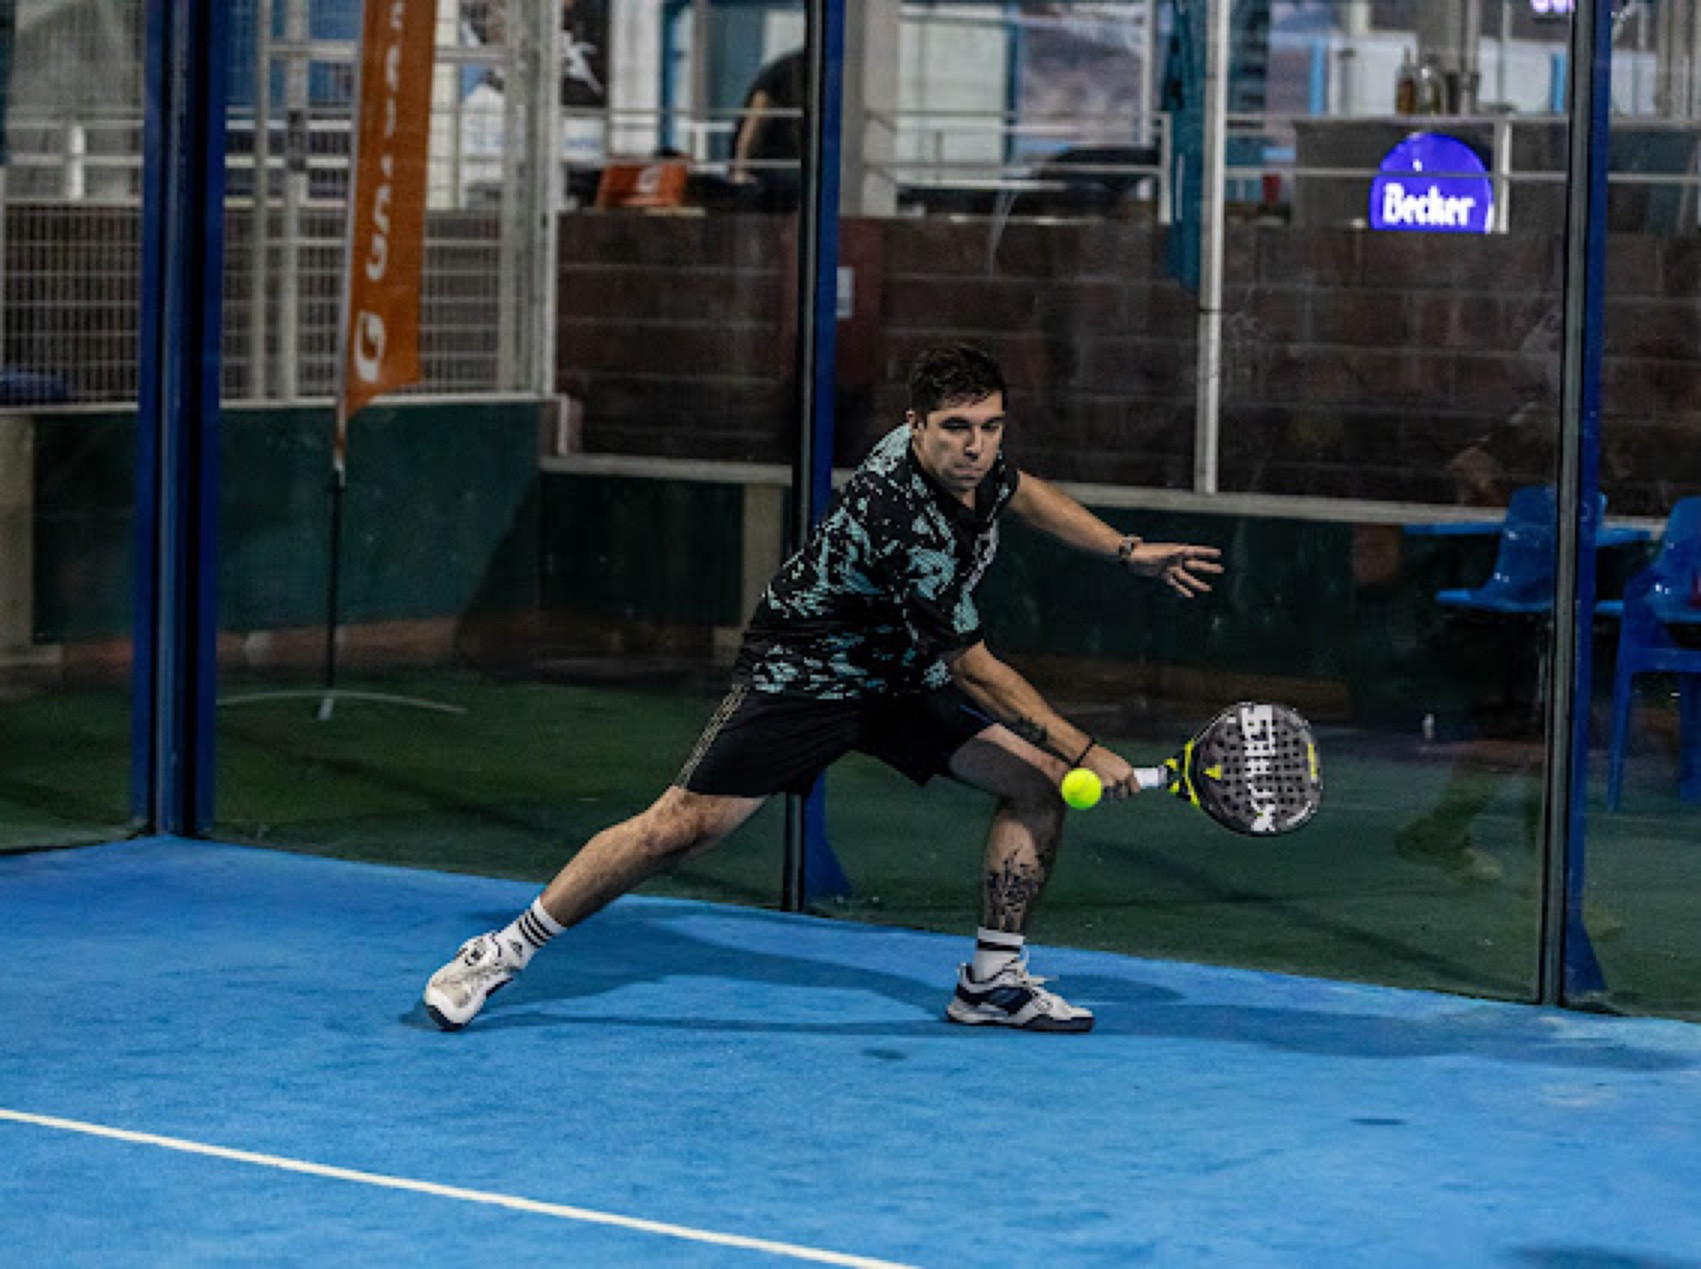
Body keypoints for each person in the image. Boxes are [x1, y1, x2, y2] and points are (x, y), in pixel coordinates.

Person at [424, 344, 1224, 1034]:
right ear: (914, 426)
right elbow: (975, 668)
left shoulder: (976, 465)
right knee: (677, 829)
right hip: (808, 671)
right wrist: (1085, 748)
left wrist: (1126, 550)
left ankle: (992, 982)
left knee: (1037, 786)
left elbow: (1021, 488)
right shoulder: (901, 516)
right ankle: (502, 949)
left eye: (989, 426)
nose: (976, 445)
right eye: (955, 428)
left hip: (897, 673)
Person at [729, 49, 807, 209]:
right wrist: (740, 170)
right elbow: (754, 122)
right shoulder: (786, 71)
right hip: (770, 167)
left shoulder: (788, 69)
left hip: (784, 165)